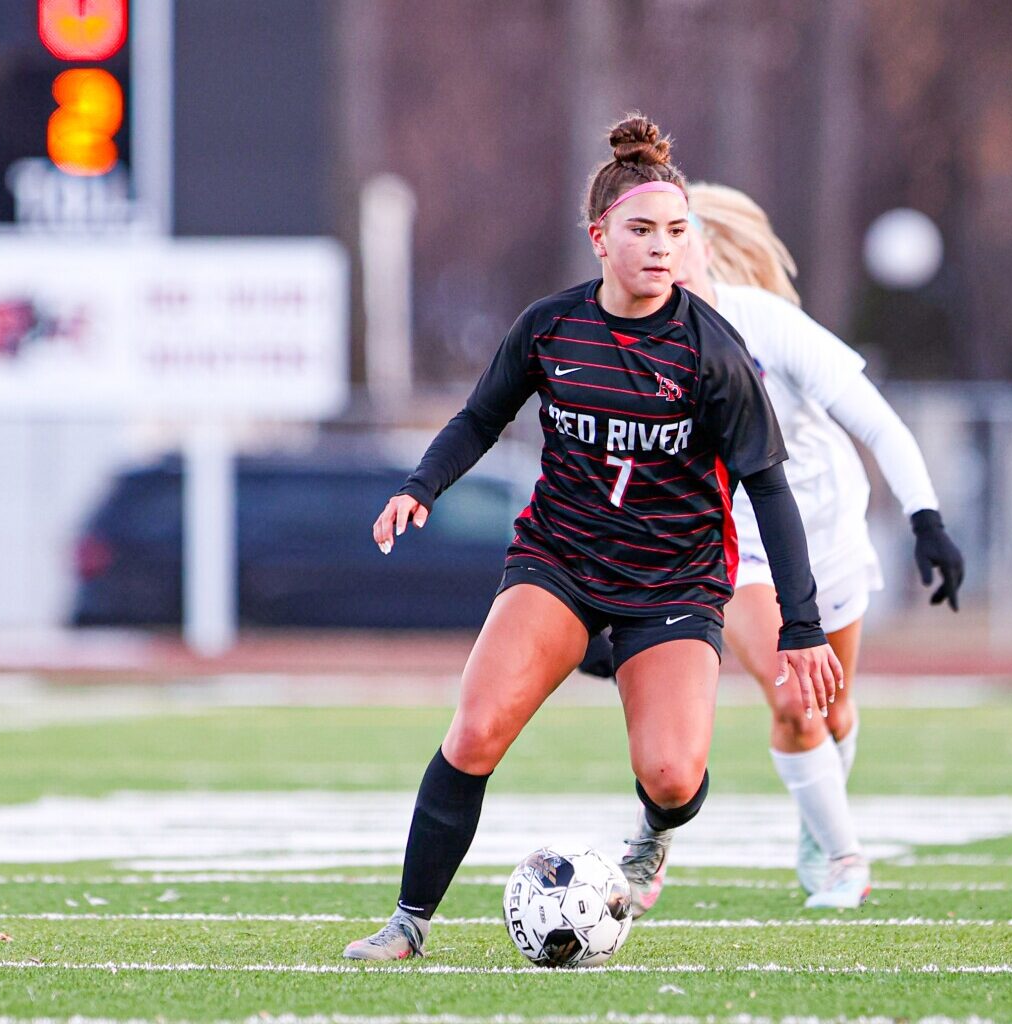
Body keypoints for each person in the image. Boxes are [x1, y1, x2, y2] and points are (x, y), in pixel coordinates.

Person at [342, 117, 843, 960]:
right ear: (599, 239)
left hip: (673, 582)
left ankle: (655, 826)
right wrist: (418, 487)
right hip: (558, 562)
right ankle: (408, 923)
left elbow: (766, 485)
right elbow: (479, 418)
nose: (662, 249)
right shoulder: (551, 326)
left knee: (674, 776)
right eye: (642, 231)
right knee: (473, 733)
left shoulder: (713, 352)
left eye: (677, 233)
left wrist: (801, 625)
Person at [587, 183, 964, 910]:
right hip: (735, 548)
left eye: (679, 234)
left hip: (828, 532)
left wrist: (926, 521)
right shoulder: (629, 349)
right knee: (795, 703)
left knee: (832, 713)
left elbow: (880, 424)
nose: (665, 253)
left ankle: (817, 829)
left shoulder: (766, 323)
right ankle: (846, 859)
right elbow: (622, 478)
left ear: (704, 248)